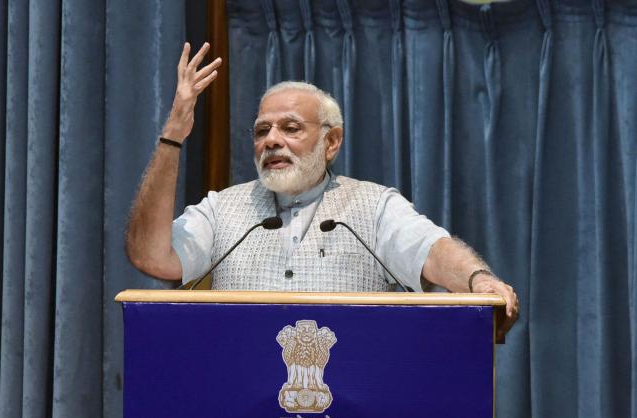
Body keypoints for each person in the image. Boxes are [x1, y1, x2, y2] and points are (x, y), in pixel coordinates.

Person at [126, 42, 519, 340]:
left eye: (291, 128)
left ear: (331, 142)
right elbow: (151, 256)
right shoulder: (223, 209)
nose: (272, 141)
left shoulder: (374, 206)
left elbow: (430, 250)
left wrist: (477, 280)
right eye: (262, 130)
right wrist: (173, 137)